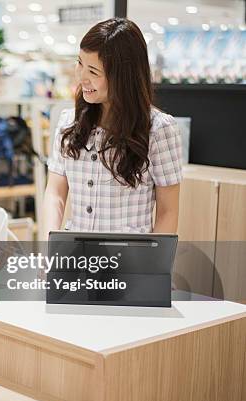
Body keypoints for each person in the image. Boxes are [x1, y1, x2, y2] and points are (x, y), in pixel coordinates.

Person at [41, 18, 182, 238]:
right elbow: (55, 194)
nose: (81, 78)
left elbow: (168, 212)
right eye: (80, 64)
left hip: (129, 264)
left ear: (123, 77)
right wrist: (48, 246)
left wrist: (151, 268)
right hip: (75, 259)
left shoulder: (158, 129)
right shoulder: (69, 121)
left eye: (93, 72)